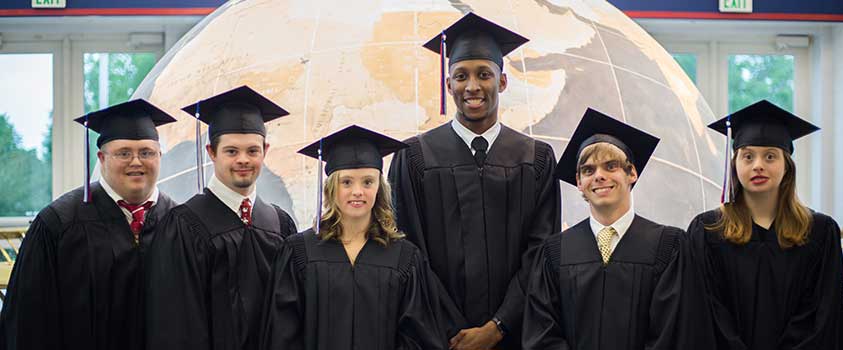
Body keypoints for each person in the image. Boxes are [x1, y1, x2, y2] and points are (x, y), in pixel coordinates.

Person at [388, 13, 561, 349]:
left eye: (484, 74)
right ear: (448, 83)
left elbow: (540, 253)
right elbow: (408, 249)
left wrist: (497, 327)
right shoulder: (415, 157)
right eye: (461, 76)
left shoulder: (535, 159)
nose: (472, 86)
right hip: (437, 338)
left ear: (503, 82)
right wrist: (453, 330)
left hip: (515, 335)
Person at [0, 100, 178, 350]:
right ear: (101, 158)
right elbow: (28, 321)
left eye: (147, 152)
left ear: (159, 156)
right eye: (124, 153)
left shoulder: (180, 222)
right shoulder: (58, 223)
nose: (136, 161)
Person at [260, 125, 447, 350]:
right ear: (331, 187)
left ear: (379, 187)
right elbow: (283, 335)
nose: (357, 191)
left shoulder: (404, 258)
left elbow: (418, 337)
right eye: (346, 182)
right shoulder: (300, 252)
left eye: (367, 182)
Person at [686, 100, 843, 350]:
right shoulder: (708, 231)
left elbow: (824, 316)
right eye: (748, 156)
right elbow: (704, 310)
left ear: (787, 167)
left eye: (770, 156)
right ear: (735, 165)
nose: (758, 165)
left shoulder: (819, 232)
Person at [145, 86, 297, 350]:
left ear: (265, 151)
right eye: (231, 151)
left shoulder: (280, 224)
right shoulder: (183, 226)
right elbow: (175, 326)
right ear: (211, 152)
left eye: (252, 151)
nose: (243, 160)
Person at [522, 108, 686, 350]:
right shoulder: (555, 253)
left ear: (632, 173)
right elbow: (541, 334)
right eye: (588, 170)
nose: (599, 176)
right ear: (579, 182)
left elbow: (673, 331)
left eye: (611, 166)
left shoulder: (668, 247)